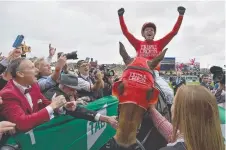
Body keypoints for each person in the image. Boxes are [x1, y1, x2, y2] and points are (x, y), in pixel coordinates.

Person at [117, 6, 185, 105]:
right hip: (139, 73)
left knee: (170, 93)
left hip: (154, 74)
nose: (149, 31)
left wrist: (181, 15)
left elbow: (173, 32)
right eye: (147, 30)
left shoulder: (160, 43)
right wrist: (120, 16)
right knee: (119, 88)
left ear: (154, 34)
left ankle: (171, 117)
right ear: (143, 34)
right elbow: (125, 32)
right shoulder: (138, 43)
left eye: (152, 30)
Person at [0, 58, 74, 132]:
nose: (37, 70)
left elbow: (45, 103)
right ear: (20, 74)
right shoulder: (8, 94)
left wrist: (62, 106)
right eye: (32, 67)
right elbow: (22, 123)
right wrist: (52, 106)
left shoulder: (34, 85)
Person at [149, 85, 224, 150]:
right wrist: (152, 110)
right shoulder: (216, 143)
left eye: (174, 103)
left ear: (181, 113)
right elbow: (170, 131)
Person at [43, 73, 118, 128]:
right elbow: (76, 110)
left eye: (76, 89)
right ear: (63, 86)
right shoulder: (53, 94)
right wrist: (106, 118)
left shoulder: (68, 93)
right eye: (73, 89)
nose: (75, 92)